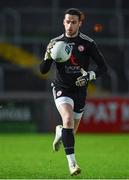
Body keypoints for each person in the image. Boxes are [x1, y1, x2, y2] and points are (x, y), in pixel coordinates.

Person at [40, 8, 107, 176]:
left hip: (80, 90)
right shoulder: (55, 43)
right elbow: (43, 70)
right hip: (62, 88)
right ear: (63, 22)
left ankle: (60, 131)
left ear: (80, 23)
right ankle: (72, 164)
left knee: (71, 131)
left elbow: (103, 67)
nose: (70, 25)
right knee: (68, 119)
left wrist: (89, 76)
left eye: (74, 22)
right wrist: (48, 56)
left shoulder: (88, 43)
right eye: (67, 21)